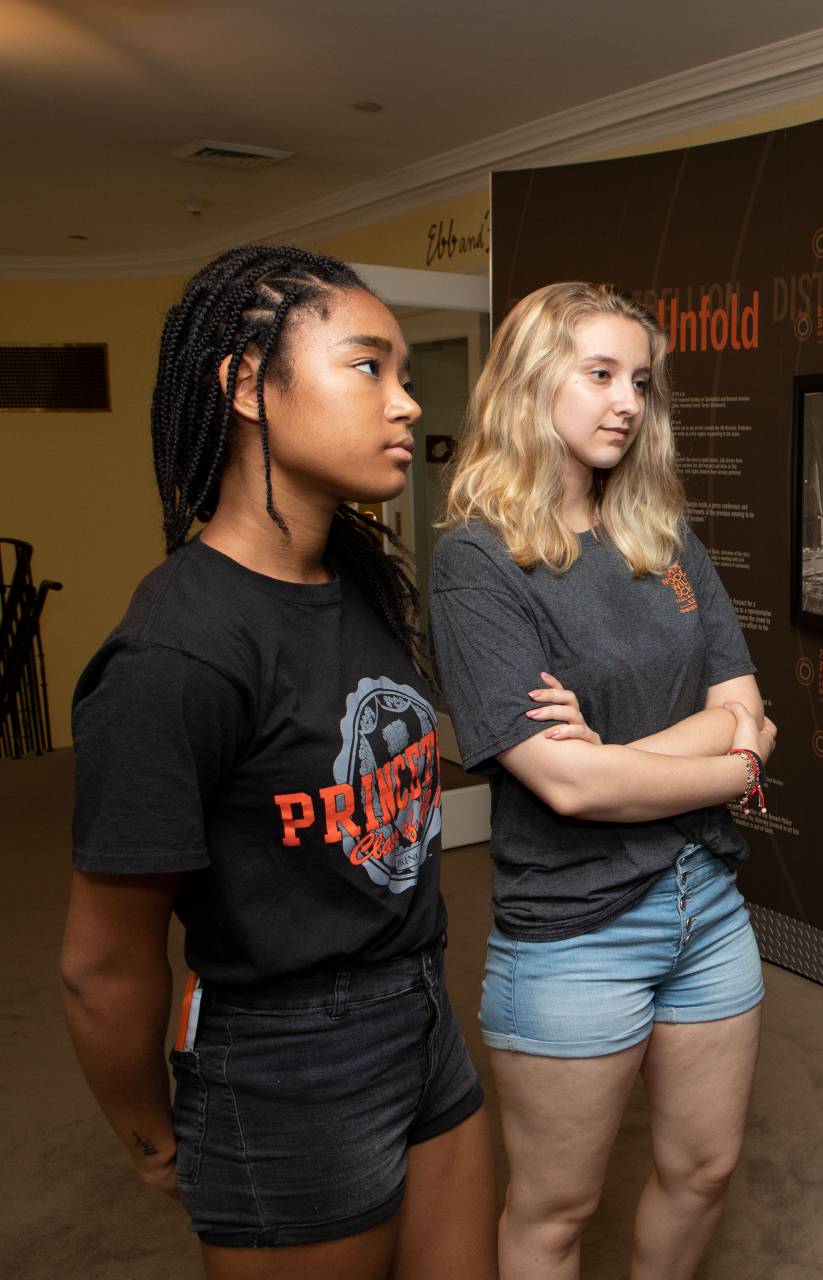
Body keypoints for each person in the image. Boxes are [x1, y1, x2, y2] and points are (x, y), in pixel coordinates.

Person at [61, 245, 528, 1278]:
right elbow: (102, 966)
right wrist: (155, 1141)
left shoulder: (357, 576)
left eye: (406, 373)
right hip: (284, 1055)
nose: (406, 403)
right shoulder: (174, 656)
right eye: (369, 367)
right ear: (244, 385)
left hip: (416, 1004)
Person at [430, 281, 776, 1280]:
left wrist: (654, 754)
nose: (627, 400)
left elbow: (750, 709)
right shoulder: (479, 565)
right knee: (554, 1209)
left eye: (641, 380)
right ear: (532, 383)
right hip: (575, 926)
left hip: (704, 900)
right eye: (599, 374)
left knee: (704, 1167)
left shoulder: (663, 537)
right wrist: (725, 756)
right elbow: (568, 789)